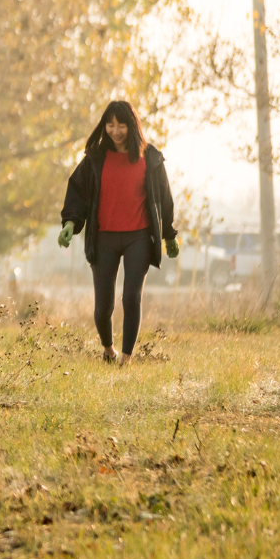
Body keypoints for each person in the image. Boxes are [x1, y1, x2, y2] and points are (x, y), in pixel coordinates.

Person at [58, 101, 178, 365]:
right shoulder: (95, 159)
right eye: (110, 124)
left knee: (131, 297)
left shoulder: (151, 158)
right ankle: (109, 350)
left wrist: (169, 234)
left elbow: (164, 199)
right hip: (104, 238)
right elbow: (77, 191)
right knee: (103, 306)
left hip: (139, 237)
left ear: (132, 125)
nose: (115, 130)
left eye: (121, 124)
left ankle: (126, 358)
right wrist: (70, 223)